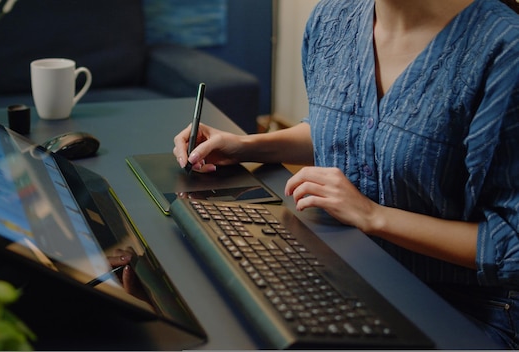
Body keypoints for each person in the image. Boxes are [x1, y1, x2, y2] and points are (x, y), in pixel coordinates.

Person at [173, 0, 519, 348]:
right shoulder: (333, 17)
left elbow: (512, 244)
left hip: (460, 307)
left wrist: (374, 216)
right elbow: (344, 130)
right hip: (350, 268)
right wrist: (246, 146)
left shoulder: (505, 50)